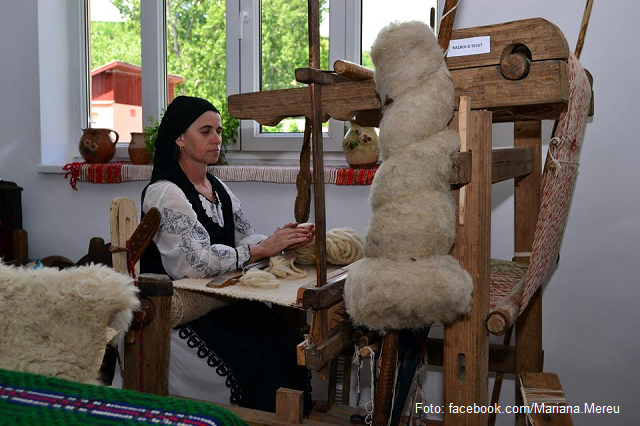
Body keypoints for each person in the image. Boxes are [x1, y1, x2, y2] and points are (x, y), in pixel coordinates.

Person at [140, 95, 314, 413]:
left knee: (288, 341)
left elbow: (246, 236)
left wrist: (281, 239)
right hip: (179, 308)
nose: (216, 138)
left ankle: (288, 417)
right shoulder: (165, 193)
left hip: (216, 302)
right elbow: (192, 264)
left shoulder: (217, 187)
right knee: (256, 354)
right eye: (205, 131)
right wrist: (261, 248)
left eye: (218, 131)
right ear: (179, 138)